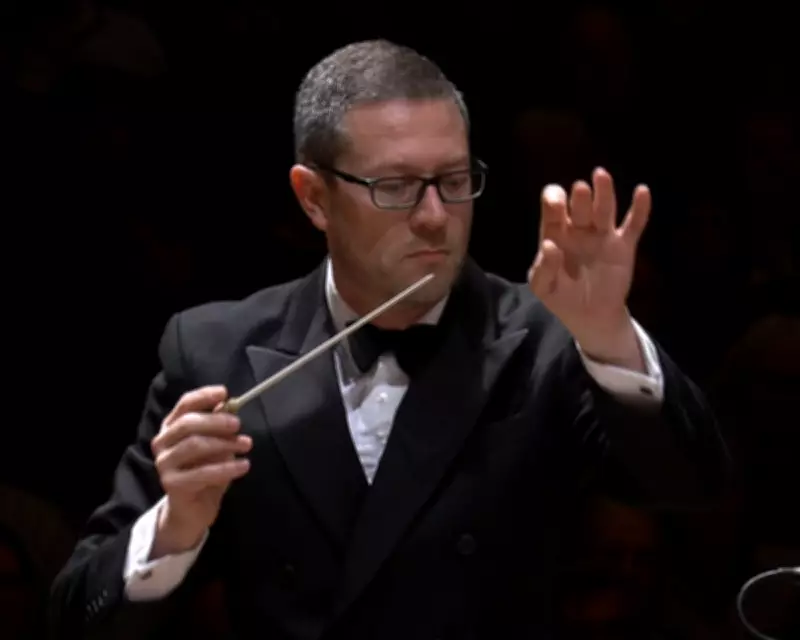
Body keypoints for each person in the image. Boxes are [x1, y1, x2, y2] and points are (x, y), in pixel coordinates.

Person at [49, 39, 731, 640]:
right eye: (397, 187)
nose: (435, 217)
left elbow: (692, 485)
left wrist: (609, 333)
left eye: (454, 182)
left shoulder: (549, 338)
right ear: (313, 197)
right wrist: (177, 525)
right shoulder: (213, 350)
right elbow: (79, 618)